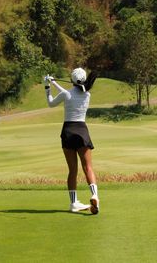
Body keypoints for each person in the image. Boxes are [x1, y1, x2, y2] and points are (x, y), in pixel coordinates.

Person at [44, 68, 99, 214]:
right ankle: (94, 195)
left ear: (72, 80)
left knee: (72, 170)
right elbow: (70, 93)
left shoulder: (66, 94)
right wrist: (55, 83)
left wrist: (47, 87)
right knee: (88, 167)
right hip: (82, 131)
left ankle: (74, 203)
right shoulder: (87, 94)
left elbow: (51, 103)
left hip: (68, 131)